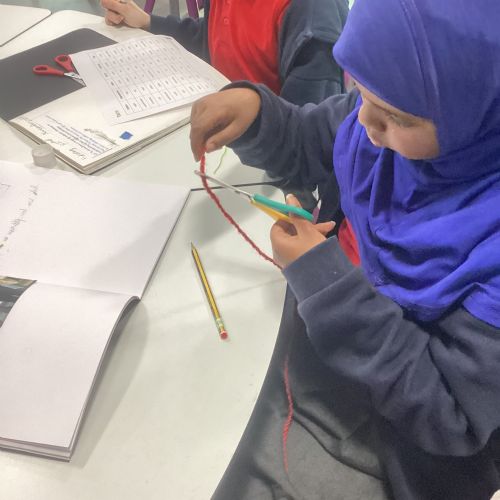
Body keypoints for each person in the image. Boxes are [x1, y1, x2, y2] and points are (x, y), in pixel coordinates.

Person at [188, 0, 500, 498]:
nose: (366, 127)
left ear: (478, 107)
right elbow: (310, 136)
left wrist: (328, 285)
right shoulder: (385, 116)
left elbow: (450, 417)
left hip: (406, 451)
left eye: (395, 116)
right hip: (329, 347)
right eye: (360, 91)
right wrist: (259, 116)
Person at [100, 0, 348, 106]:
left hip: (266, 159)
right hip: (221, 126)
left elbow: (307, 136)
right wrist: (148, 22)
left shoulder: (312, 15)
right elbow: (215, 38)